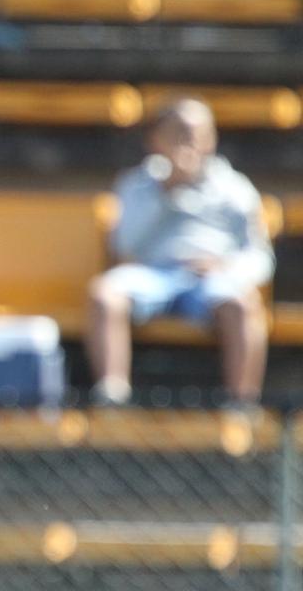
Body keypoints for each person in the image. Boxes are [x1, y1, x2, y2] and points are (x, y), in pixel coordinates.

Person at [86, 96, 274, 407]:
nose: (189, 142)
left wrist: (227, 268)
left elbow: (260, 258)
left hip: (212, 278)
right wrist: (168, 191)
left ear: (212, 139)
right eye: (178, 132)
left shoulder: (236, 190)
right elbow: (124, 245)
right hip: (150, 272)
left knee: (244, 305)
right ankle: (113, 395)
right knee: (104, 294)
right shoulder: (135, 184)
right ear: (155, 139)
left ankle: (241, 404)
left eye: (198, 133)